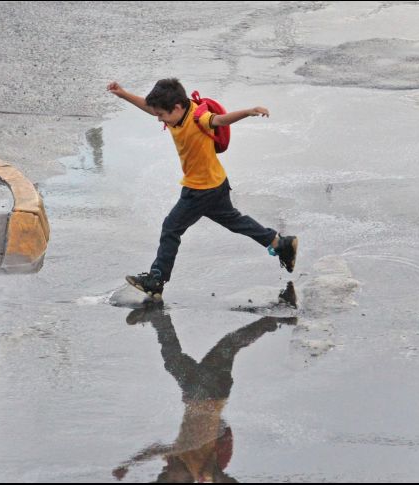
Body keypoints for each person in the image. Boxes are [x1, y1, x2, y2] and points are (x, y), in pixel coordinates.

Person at [107, 79, 297, 301]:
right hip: (216, 182)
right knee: (234, 221)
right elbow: (149, 108)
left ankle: (156, 280)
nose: (159, 118)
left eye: (162, 115)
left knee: (171, 227)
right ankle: (279, 243)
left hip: (200, 189)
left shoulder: (200, 118)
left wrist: (248, 111)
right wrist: (123, 94)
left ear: (177, 108)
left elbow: (221, 120)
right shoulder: (175, 111)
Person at [113, 304, 296, 482]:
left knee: (206, 351)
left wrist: (130, 463)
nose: (166, 470)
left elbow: (154, 449)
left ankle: (158, 317)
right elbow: (219, 476)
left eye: (164, 475)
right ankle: (157, 317)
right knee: (221, 347)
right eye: (173, 480)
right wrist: (215, 477)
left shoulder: (177, 458)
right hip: (209, 393)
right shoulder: (202, 470)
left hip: (198, 392)